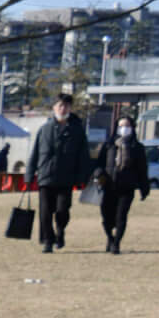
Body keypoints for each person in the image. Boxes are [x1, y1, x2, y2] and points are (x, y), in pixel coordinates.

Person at [26, 93, 92, 253]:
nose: (63, 109)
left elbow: (83, 156)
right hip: (45, 177)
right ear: (54, 107)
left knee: (62, 210)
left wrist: (83, 177)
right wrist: (29, 174)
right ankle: (48, 241)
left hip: (66, 178)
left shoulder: (77, 130)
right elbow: (35, 153)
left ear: (70, 108)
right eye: (60, 105)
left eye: (66, 106)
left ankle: (60, 231)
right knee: (45, 212)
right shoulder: (45, 129)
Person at [95, 114, 150, 254]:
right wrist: (98, 174)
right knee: (106, 217)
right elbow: (98, 164)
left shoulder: (137, 147)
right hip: (108, 186)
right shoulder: (108, 145)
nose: (124, 129)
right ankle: (110, 237)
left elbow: (142, 170)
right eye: (121, 126)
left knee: (121, 216)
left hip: (127, 187)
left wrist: (144, 188)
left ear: (132, 128)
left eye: (127, 126)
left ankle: (116, 243)